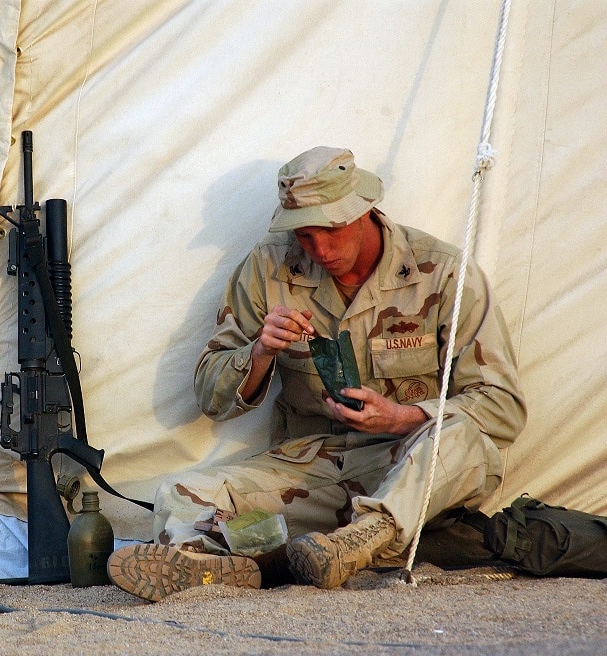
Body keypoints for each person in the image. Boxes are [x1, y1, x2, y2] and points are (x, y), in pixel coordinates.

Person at [107, 146, 526, 600]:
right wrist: (261, 351)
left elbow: (502, 406)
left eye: (331, 230)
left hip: (416, 464)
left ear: (364, 210)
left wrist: (401, 418)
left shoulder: (442, 274)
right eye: (304, 235)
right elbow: (210, 397)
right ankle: (231, 566)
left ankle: (355, 540)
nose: (320, 249)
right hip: (317, 469)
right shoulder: (269, 268)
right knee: (181, 493)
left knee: (462, 436)